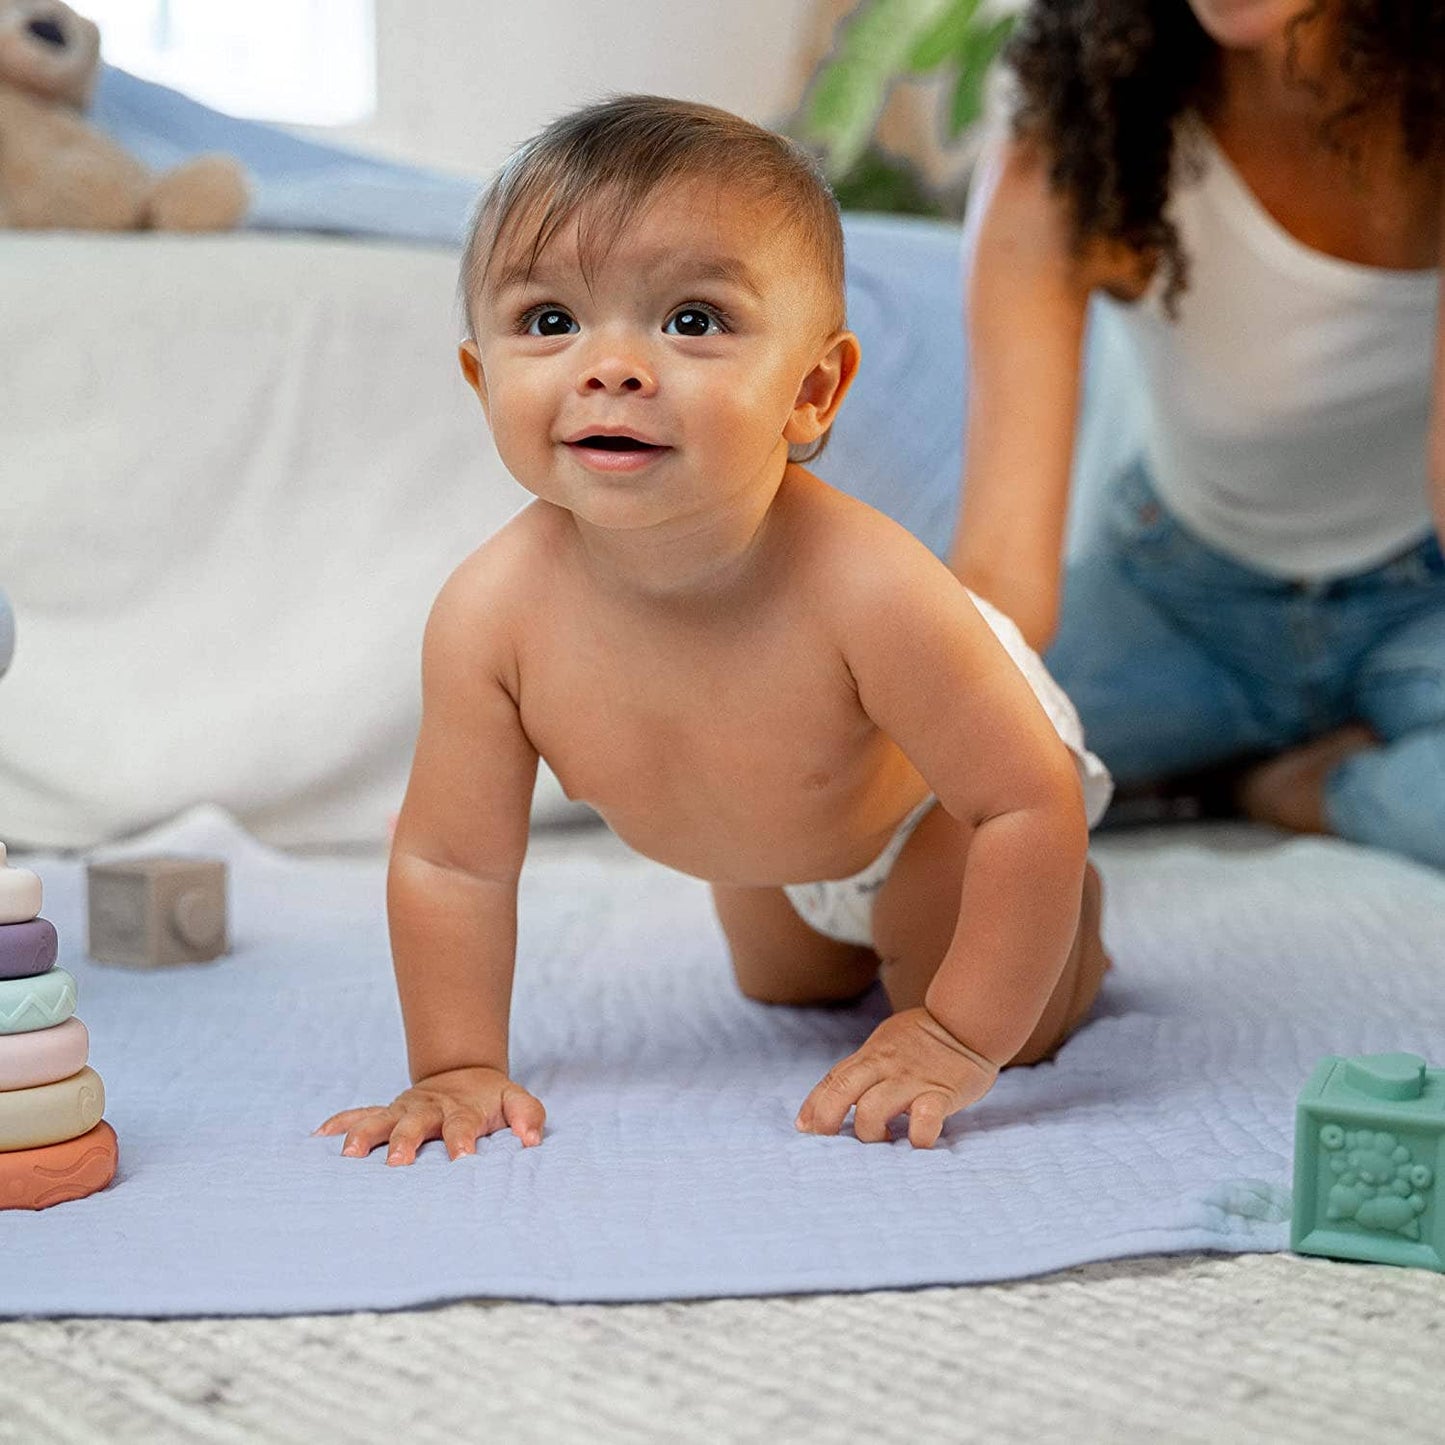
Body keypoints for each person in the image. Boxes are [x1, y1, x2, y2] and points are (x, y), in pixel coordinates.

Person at [316, 96, 1114, 1164]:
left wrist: (956, 1035)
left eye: (691, 320)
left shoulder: (870, 587)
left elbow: (1023, 797)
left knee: (957, 985)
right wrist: (455, 1064)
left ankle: (1076, 935)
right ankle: (855, 926)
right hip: (773, 842)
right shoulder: (488, 613)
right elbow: (453, 860)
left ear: (812, 388)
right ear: (482, 377)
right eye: (550, 320)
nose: (611, 365)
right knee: (786, 985)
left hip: (943, 806)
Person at [956, 0, 1444, 868]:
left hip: (1422, 603)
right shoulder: (1078, 135)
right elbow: (997, 577)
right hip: (1178, 599)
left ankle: (1287, 789)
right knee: (909, 764)